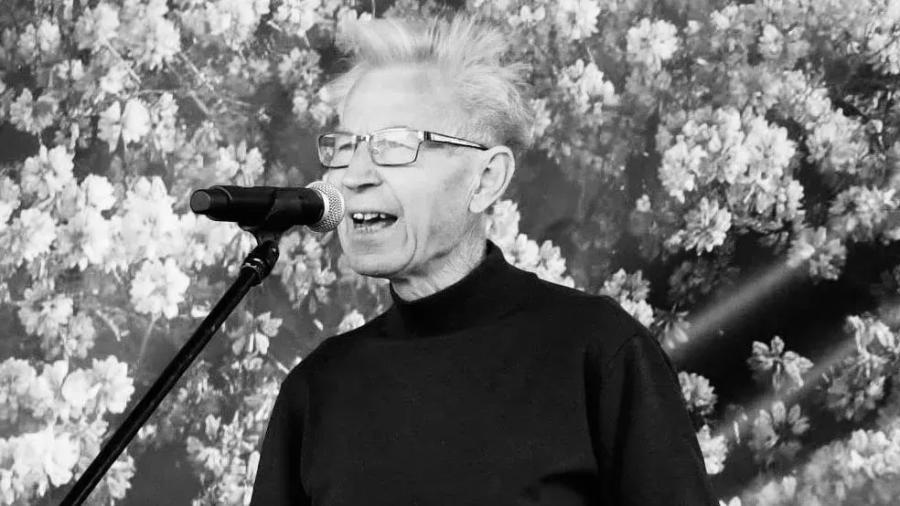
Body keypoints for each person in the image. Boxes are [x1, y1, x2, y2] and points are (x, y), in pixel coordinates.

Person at [250, 14, 717, 506]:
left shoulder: (598, 351)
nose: (354, 175)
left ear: (487, 179)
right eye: (346, 146)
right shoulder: (318, 388)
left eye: (395, 146)